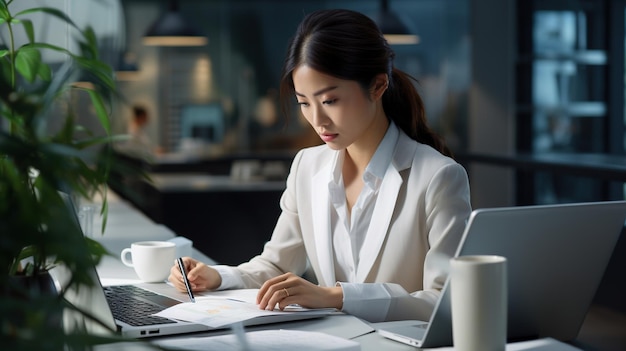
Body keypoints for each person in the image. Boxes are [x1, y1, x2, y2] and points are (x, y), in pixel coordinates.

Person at [169, 8, 472, 323]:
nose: (317, 120)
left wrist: (336, 297)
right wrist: (216, 277)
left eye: (329, 101)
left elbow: (445, 300)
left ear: (378, 86)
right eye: (304, 103)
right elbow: (276, 266)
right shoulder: (307, 167)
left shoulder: (438, 177)